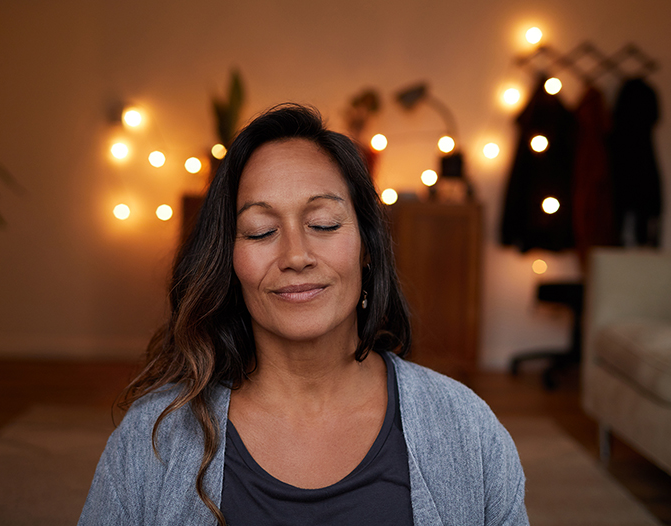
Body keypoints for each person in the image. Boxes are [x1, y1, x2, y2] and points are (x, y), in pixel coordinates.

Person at [79, 104, 528, 526]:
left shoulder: (467, 429)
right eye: (261, 231)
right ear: (228, 259)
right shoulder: (153, 438)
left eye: (324, 224)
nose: (296, 255)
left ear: (367, 247)